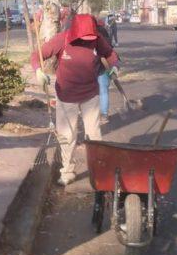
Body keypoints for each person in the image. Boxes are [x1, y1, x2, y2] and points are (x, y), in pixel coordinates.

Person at [32, 13, 119, 186]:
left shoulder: (96, 39)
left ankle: (98, 170)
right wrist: (38, 71)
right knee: (67, 135)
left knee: (94, 134)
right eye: (85, 37)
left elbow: (110, 54)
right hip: (66, 97)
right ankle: (67, 171)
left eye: (91, 37)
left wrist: (114, 66)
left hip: (90, 95)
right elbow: (37, 55)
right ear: (75, 32)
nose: (88, 40)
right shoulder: (62, 40)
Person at [96, 17, 113, 125]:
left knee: (95, 92)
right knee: (103, 91)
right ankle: (104, 114)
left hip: (93, 68)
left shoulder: (91, 35)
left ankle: (96, 114)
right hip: (104, 67)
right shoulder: (104, 33)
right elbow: (110, 51)